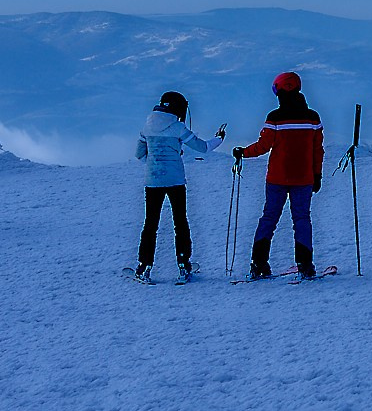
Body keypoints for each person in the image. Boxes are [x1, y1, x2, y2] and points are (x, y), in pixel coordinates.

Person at [233, 71, 326, 279]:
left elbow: (263, 146)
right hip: (304, 179)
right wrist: (317, 175)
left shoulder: (275, 117)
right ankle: (305, 265)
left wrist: (242, 152)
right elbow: (317, 149)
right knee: (302, 219)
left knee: (269, 218)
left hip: (277, 178)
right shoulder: (313, 118)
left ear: (283, 89)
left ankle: (258, 264)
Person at [134, 91, 225, 281]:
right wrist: (219, 138)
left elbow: (139, 154)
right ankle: (184, 266)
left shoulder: (147, 127)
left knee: (150, 224)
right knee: (180, 223)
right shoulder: (177, 127)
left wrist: (154, 164)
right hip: (175, 180)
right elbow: (204, 148)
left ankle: (144, 267)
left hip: (153, 181)